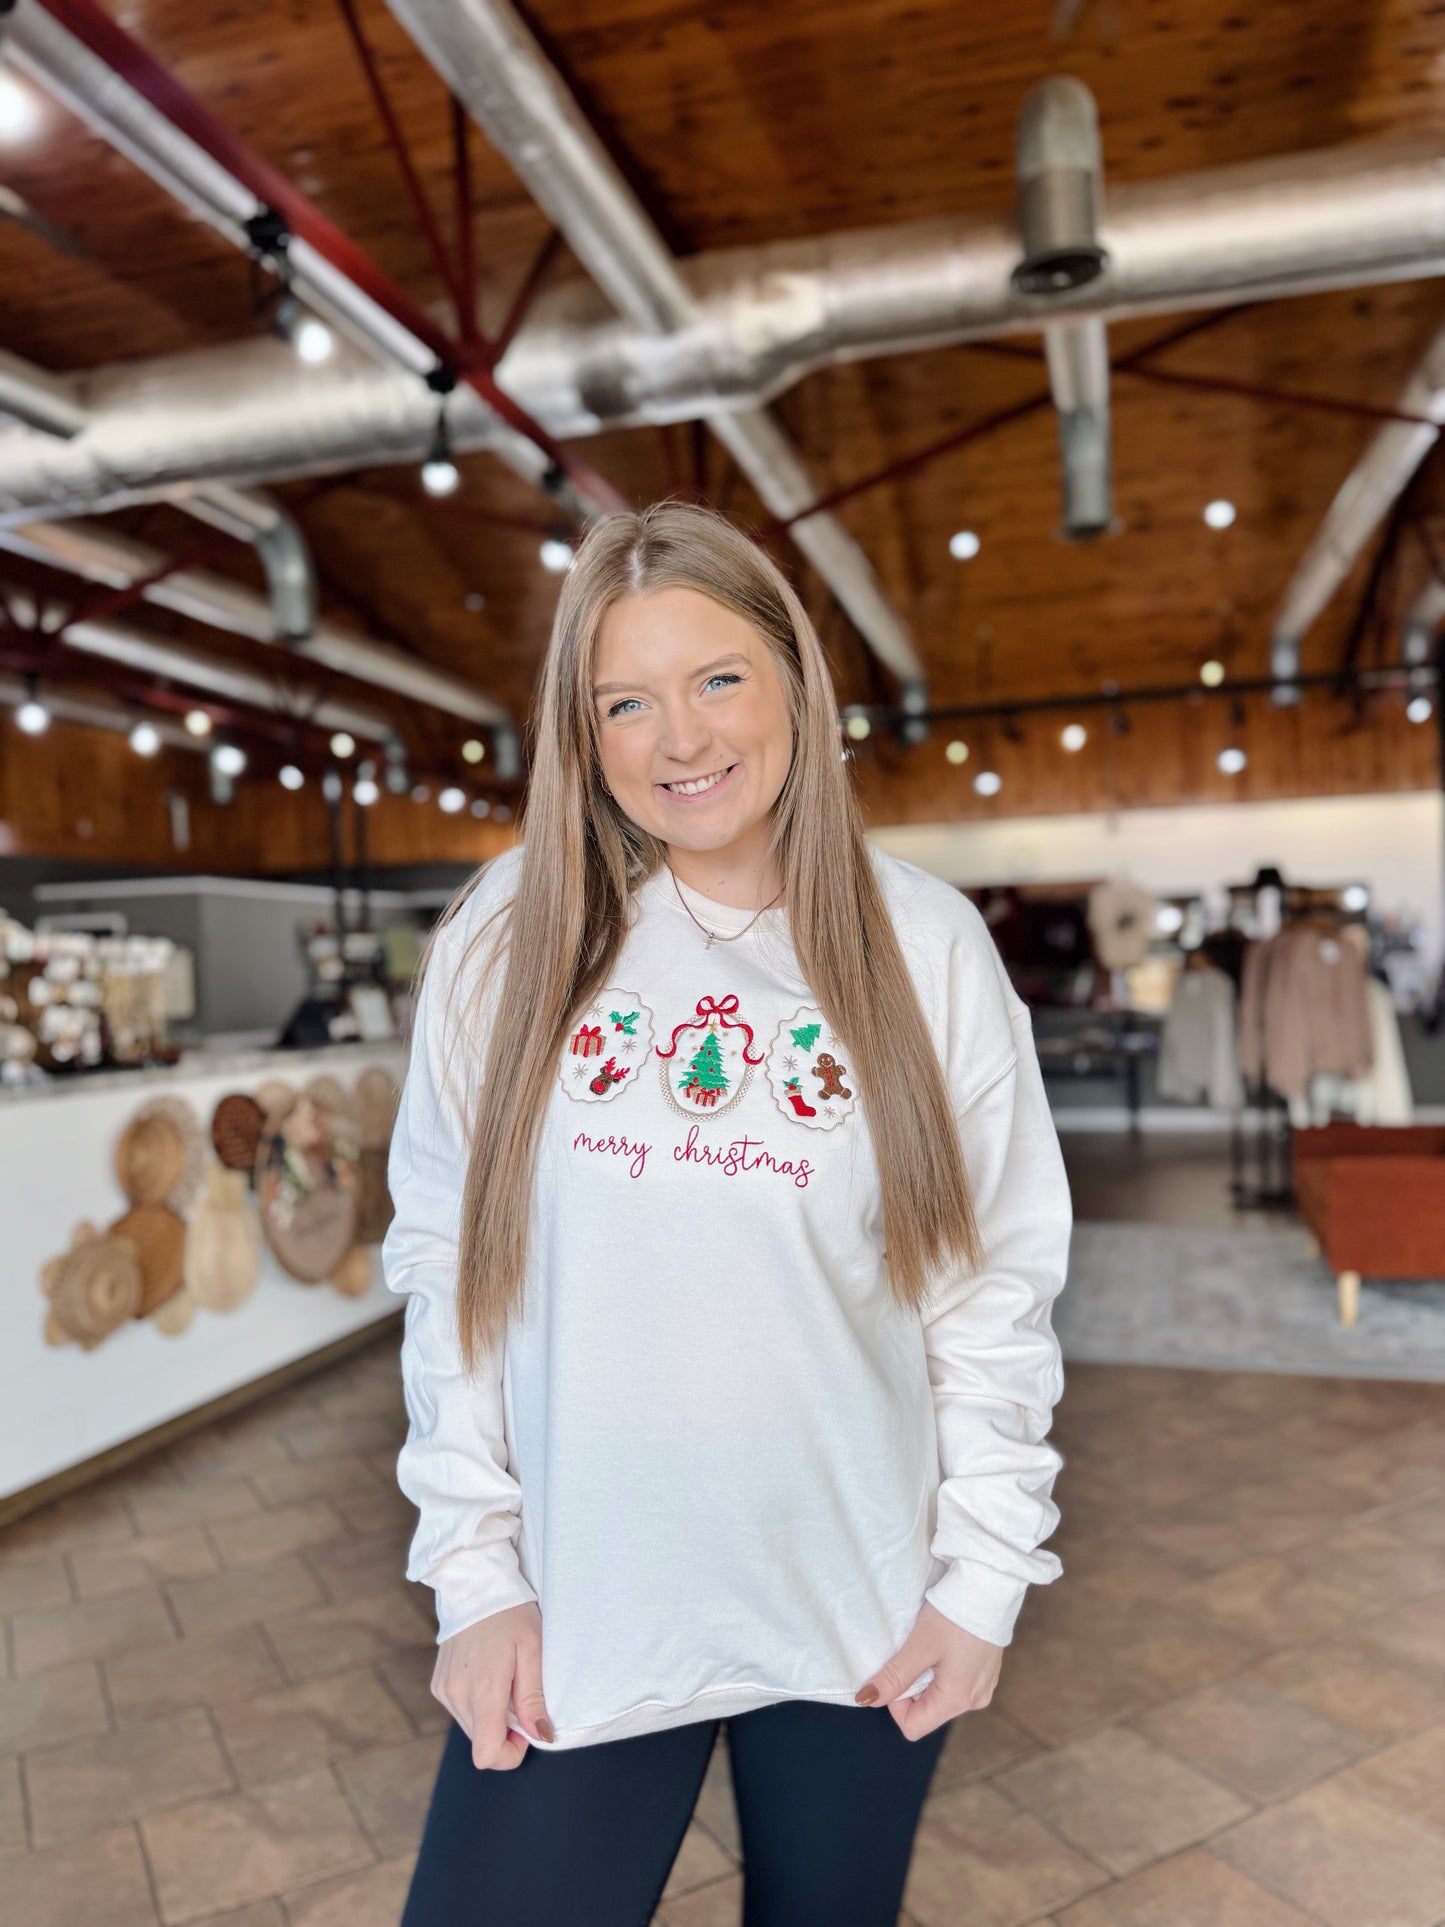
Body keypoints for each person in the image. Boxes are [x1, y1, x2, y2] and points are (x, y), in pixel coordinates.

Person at [383, 500, 1072, 1927]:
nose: (678, 740)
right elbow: (450, 1270)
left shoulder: (921, 946)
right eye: (624, 702)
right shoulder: (510, 936)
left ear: (793, 685)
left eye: (715, 681)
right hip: (578, 1610)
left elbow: (989, 1285)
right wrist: (472, 1574)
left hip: (860, 1613)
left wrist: (983, 1575)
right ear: (583, 737)